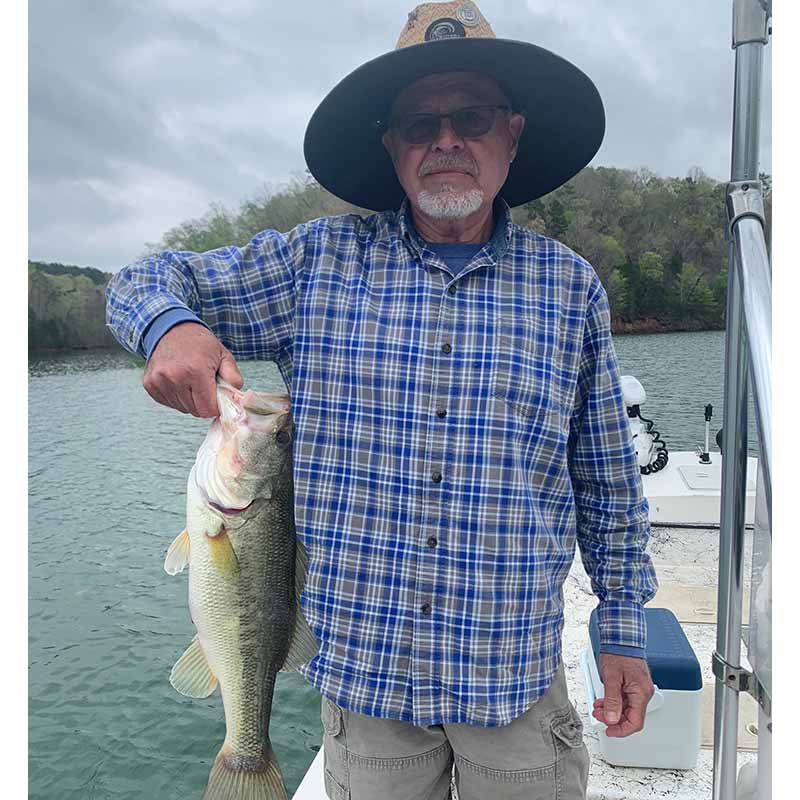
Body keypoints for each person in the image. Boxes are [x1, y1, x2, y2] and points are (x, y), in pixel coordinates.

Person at [106, 2, 658, 798]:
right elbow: (143, 280)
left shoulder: (571, 288)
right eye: (418, 122)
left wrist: (624, 631)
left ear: (513, 133)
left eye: (470, 116)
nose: (445, 140)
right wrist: (170, 330)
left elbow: (608, 482)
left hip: (514, 677)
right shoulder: (313, 265)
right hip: (367, 693)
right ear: (391, 146)